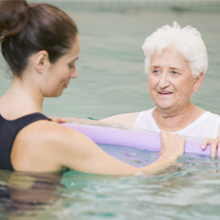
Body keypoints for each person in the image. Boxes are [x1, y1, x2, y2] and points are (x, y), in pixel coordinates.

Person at [0, 0, 186, 175]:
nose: (75, 74)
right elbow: (140, 174)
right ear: (41, 61)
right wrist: (170, 155)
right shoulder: (56, 138)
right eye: (70, 64)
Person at [97, 22, 220, 156]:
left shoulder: (215, 130)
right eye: (156, 71)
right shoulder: (130, 125)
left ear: (197, 80)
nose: (162, 83)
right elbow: (77, 128)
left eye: (174, 72)